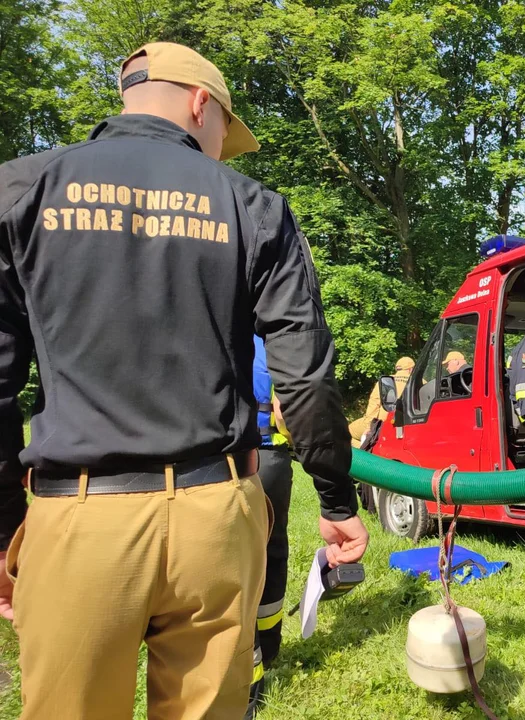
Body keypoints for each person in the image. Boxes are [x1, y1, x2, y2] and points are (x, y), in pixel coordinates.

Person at [0, 42, 367, 720]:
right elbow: (306, 381)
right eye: (227, 129)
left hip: (76, 519)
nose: (224, 147)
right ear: (202, 103)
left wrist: (3, 530)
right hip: (215, 513)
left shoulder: (21, 188)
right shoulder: (253, 206)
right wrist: (339, 505)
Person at [247, 334, 295, 716]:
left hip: (223, 461)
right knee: (272, 550)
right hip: (270, 459)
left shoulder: (213, 329)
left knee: (234, 568)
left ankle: (246, 678)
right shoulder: (273, 344)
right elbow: (284, 414)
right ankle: (272, 643)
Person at [348, 356, 415, 448]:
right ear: (411, 369)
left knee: (346, 431)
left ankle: (366, 451)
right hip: (408, 424)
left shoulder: (386, 381)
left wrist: (369, 426)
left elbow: (374, 404)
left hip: (382, 421)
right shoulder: (420, 382)